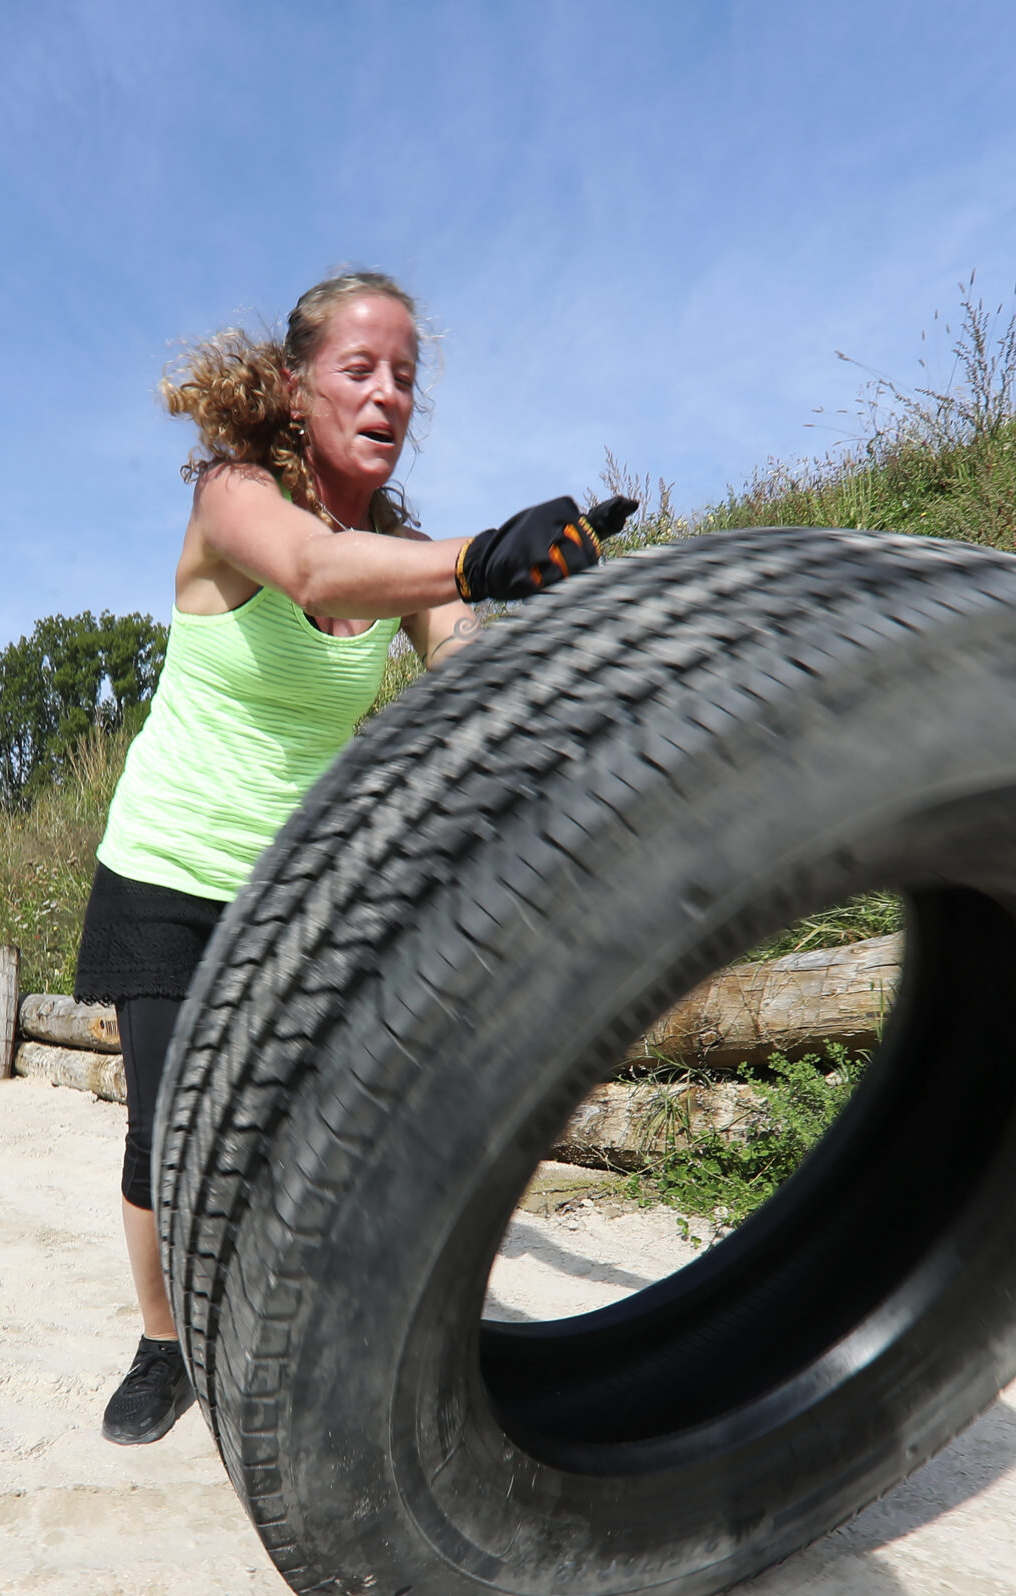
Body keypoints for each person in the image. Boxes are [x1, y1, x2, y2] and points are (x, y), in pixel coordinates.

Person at [75, 271, 636, 1444]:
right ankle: (160, 1342)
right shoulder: (236, 498)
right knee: (167, 1128)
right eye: (359, 369)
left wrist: (574, 614)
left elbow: (469, 657)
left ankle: (282, 1316)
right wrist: (482, 554)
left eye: (406, 378)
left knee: (299, 1118)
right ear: (296, 387)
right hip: (166, 864)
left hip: (287, 885)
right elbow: (319, 571)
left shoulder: (402, 551)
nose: (387, 395)